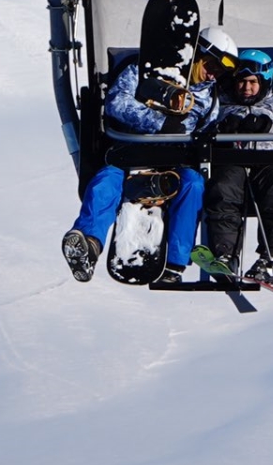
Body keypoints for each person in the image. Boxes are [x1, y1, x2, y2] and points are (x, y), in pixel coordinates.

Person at [61, 26, 240, 285]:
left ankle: (175, 263)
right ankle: (89, 244)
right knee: (105, 183)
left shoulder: (209, 98)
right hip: (130, 156)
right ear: (196, 54)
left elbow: (206, 131)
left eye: (220, 71)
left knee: (193, 184)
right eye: (211, 65)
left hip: (172, 163)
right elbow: (116, 103)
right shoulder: (144, 71)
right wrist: (159, 122)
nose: (213, 74)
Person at [203, 49, 273, 285]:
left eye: (252, 83)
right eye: (241, 82)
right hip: (233, 161)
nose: (246, 89)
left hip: (268, 162)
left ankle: (271, 259)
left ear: (264, 82)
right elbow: (202, 126)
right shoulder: (222, 102)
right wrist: (221, 128)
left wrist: (268, 127)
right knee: (224, 189)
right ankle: (226, 254)